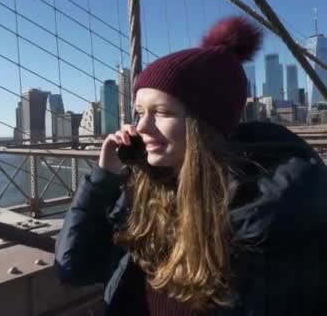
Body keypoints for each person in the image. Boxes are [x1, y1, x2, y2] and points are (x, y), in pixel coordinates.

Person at [54, 16, 327, 315]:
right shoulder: (145, 193)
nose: (141, 127)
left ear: (204, 125)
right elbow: (74, 269)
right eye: (139, 112)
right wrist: (104, 180)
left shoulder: (271, 220)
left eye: (161, 112)